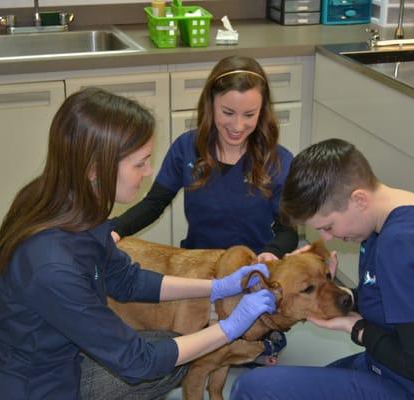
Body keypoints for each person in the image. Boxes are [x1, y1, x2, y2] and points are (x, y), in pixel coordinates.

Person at [0, 88, 276, 400]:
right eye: (140, 163)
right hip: (27, 387)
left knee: (172, 350)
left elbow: (127, 279)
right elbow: (139, 362)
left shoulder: (74, 203)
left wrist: (214, 287)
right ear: (96, 169)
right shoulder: (52, 264)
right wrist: (230, 328)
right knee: (166, 358)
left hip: (57, 357)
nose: (149, 171)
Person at [231, 138, 414, 400]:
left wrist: (358, 329)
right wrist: (337, 293)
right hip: (396, 369)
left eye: (328, 226)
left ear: (359, 199)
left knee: (254, 389)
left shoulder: (406, 246)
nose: (327, 237)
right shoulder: (400, 214)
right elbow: (398, 299)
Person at [112, 55, 297, 363]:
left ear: (262, 112)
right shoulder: (187, 148)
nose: (238, 126)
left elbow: (289, 231)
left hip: (249, 281)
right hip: (197, 279)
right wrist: (114, 229)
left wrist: (271, 253)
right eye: (228, 112)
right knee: (162, 345)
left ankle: (255, 345)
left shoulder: (278, 160)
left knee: (244, 336)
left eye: (249, 115)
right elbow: (154, 204)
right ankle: (244, 348)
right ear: (210, 105)